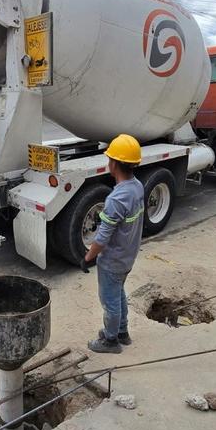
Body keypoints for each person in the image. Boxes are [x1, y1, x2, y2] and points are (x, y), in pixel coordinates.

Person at [82, 134, 145, 354]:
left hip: (113, 259)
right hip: (128, 256)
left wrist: (88, 257)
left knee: (109, 300)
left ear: (115, 163)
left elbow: (102, 238)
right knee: (118, 293)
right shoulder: (137, 187)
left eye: (110, 159)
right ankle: (122, 332)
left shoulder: (116, 199)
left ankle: (110, 341)